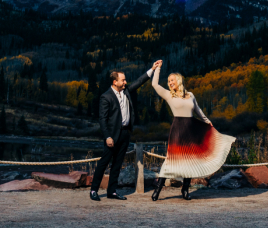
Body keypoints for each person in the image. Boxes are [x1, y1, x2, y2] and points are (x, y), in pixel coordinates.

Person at [150, 61, 235, 201]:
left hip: (192, 128)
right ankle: (157, 190)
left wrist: (207, 121)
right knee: (170, 160)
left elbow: (198, 110)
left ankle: (185, 190)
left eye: (172, 80)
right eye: (168, 81)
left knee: (190, 160)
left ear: (178, 80)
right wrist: (158, 68)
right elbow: (154, 85)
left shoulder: (190, 95)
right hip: (178, 130)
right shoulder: (168, 95)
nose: (170, 83)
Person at [89, 61, 160, 201]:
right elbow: (102, 119)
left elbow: (140, 81)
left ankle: (112, 192)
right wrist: (107, 136)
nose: (126, 82)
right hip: (112, 136)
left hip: (125, 134)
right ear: (115, 82)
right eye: (123, 80)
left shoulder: (126, 91)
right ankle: (93, 190)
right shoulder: (106, 96)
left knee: (117, 164)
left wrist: (152, 68)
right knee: (104, 163)